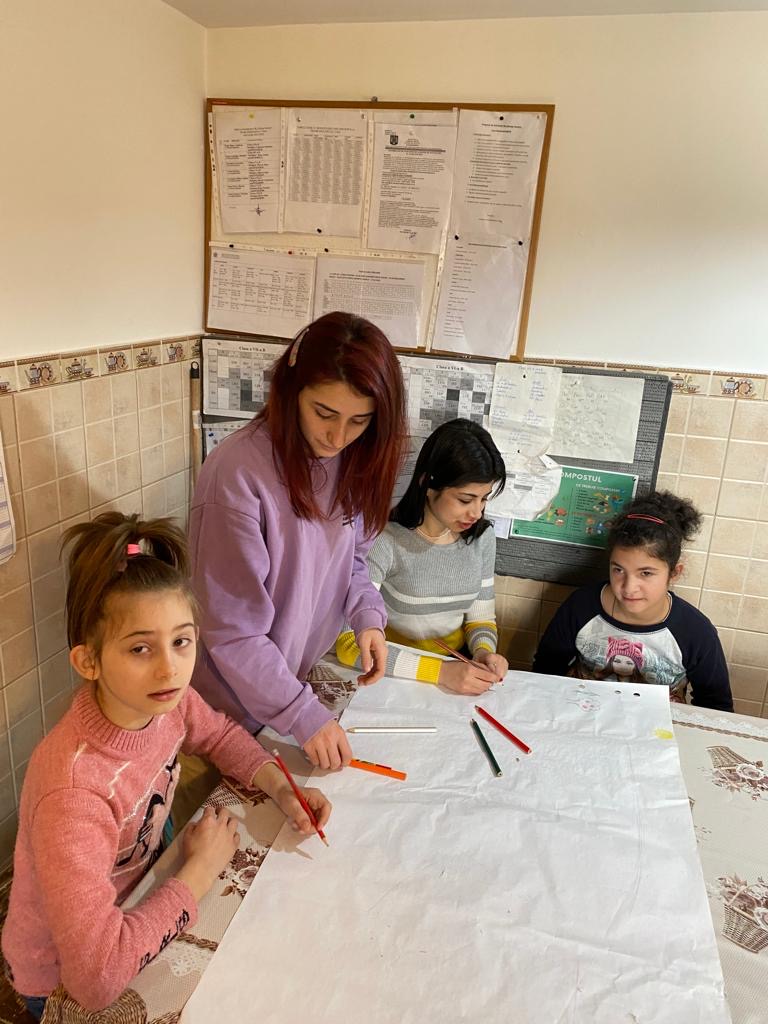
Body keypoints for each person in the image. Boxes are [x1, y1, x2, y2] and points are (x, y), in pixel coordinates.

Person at [1, 513, 331, 1018]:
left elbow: (218, 734)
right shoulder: (73, 791)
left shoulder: (164, 702)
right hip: (60, 974)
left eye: (181, 641)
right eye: (140, 648)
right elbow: (96, 978)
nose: (169, 668)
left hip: (142, 889)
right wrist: (199, 870)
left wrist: (280, 786)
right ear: (89, 662)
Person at [189, 312, 407, 771]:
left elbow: (352, 562)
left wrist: (367, 618)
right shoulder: (237, 475)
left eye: (359, 421)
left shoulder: (352, 460)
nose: (337, 436)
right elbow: (232, 631)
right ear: (291, 390)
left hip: (287, 686)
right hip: (225, 711)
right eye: (324, 413)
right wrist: (302, 713)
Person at [337, 418, 509, 695]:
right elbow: (348, 643)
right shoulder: (385, 539)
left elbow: (481, 619)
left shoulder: (481, 538)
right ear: (427, 484)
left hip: (457, 669)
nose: (476, 513)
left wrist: (483, 652)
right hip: (394, 672)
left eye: (484, 498)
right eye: (465, 500)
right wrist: (439, 671)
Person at [532, 491, 734, 711]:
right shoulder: (581, 606)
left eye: (646, 573)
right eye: (618, 570)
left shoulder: (695, 630)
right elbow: (545, 672)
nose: (628, 587)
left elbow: (716, 706)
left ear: (674, 573)